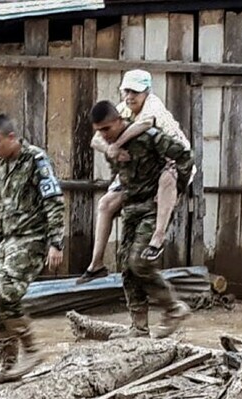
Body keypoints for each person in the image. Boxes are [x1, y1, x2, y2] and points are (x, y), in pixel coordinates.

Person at [78, 69, 193, 284]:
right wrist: (109, 149)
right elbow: (96, 139)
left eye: (135, 92)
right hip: (139, 170)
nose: (130, 96)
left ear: (146, 92)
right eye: (126, 91)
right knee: (105, 204)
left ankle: (158, 237)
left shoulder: (153, 105)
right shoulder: (121, 109)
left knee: (167, 179)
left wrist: (116, 145)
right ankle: (96, 263)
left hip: (172, 161)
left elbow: (145, 124)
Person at [90, 100, 192, 338]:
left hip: (153, 208)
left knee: (140, 262)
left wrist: (175, 186)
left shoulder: (150, 137)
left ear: (119, 121)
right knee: (126, 267)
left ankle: (174, 307)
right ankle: (138, 327)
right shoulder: (112, 147)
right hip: (131, 209)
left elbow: (185, 156)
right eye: (99, 130)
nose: (103, 135)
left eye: (106, 129)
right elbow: (122, 176)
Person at [0, 114, 65, 386]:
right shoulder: (4, 165)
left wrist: (56, 242)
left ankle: (32, 349)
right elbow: (3, 207)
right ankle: (8, 367)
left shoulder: (36, 160)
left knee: (5, 294)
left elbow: (54, 200)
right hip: (9, 241)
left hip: (32, 238)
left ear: (12, 137)